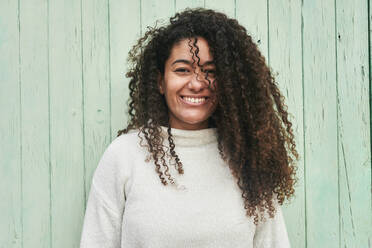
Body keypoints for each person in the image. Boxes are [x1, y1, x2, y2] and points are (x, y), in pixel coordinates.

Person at [80, 7, 298, 248]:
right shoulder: (123, 156)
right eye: (182, 70)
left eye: (211, 72)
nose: (196, 83)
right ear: (161, 82)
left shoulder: (249, 158)